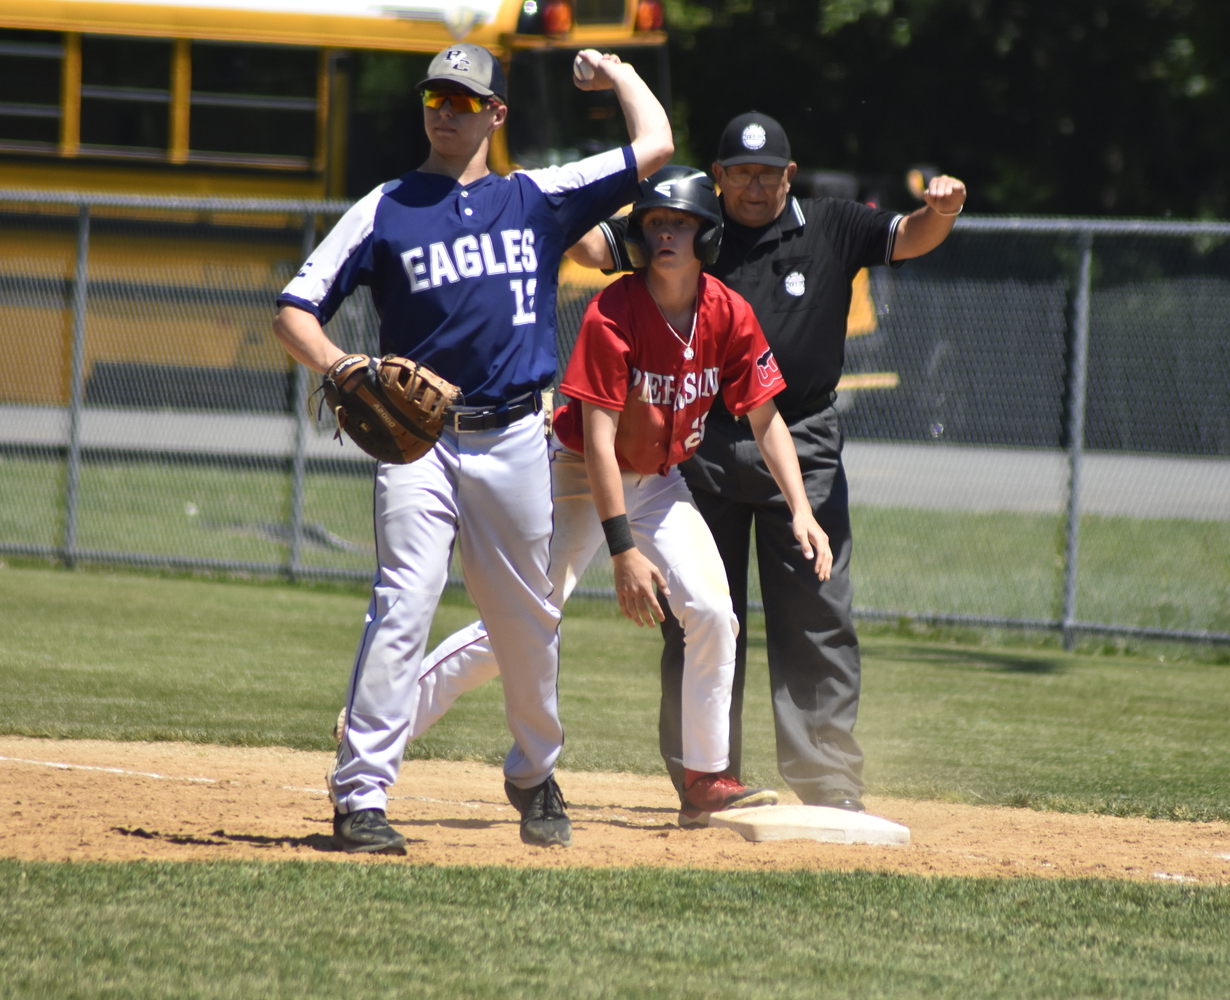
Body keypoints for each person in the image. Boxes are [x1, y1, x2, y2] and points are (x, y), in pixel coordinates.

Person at [272, 44, 672, 854]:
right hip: (416, 445)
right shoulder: (384, 208)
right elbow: (295, 308)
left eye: (464, 101)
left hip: (517, 435)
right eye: (435, 98)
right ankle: (360, 796)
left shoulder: (534, 197)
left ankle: (532, 771)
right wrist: (341, 364)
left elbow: (655, 148)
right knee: (402, 604)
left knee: (526, 619)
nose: (445, 112)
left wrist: (619, 75)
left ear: (496, 114)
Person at [382, 166, 833, 827]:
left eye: (680, 223)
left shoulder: (726, 313)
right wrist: (622, 549)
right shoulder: (614, 311)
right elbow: (595, 438)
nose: (666, 235)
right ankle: (387, 716)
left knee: (712, 611)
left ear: (706, 235)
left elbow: (766, 416)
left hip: (660, 481)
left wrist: (801, 509)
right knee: (528, 620)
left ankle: (707, 778)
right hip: (577, 474)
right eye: (654, 224)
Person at [572, 112, 967, 811]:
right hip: (697, 436)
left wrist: (945, 209)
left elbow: (910, 236)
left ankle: (828, 781)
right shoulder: (687, 219)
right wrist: (573, 191)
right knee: (699, 612)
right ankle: (704, 771)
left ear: (790, 175)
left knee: (816, 609)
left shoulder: (832, 224)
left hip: (800, 435)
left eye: (768, 173)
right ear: (718, 177)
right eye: (739, 172)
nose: (754, 186)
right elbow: (593, 248)